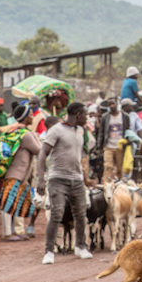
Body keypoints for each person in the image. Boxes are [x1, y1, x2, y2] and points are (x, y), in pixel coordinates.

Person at [36, 102, 92, 264]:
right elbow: (42, 154)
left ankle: (80, 246)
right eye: (86, 115)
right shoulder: (56, 130)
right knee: (56, 213)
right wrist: (41, 179)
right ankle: (49, 251)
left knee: (81, 214)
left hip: (77, 179)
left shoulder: (80, 131)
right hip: (57, 179)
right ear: (78, 115)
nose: (87, 118)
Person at [0, 105, 42, 241]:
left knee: (14, 202)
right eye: (30, 114)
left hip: (15, 173)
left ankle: (14, 232)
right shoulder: (26, 134)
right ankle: (7, 233)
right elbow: (40, 150)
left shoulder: (15, 130)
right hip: (16, 173)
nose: (32, 116)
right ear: (24, 117)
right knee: (8, 203)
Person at [94, 97, 130, 183]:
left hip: (120, 147)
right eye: (110, 104)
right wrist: (99, 146)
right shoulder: (105, 117)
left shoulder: (124, 116)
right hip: (108, 146)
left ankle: (121, 185)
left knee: (119, 168)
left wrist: (128, 141)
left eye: (113, 103)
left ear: (117, 104)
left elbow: (128, 130)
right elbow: (101, 132)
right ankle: (105, 185)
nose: (111, 106)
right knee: (108, 167)